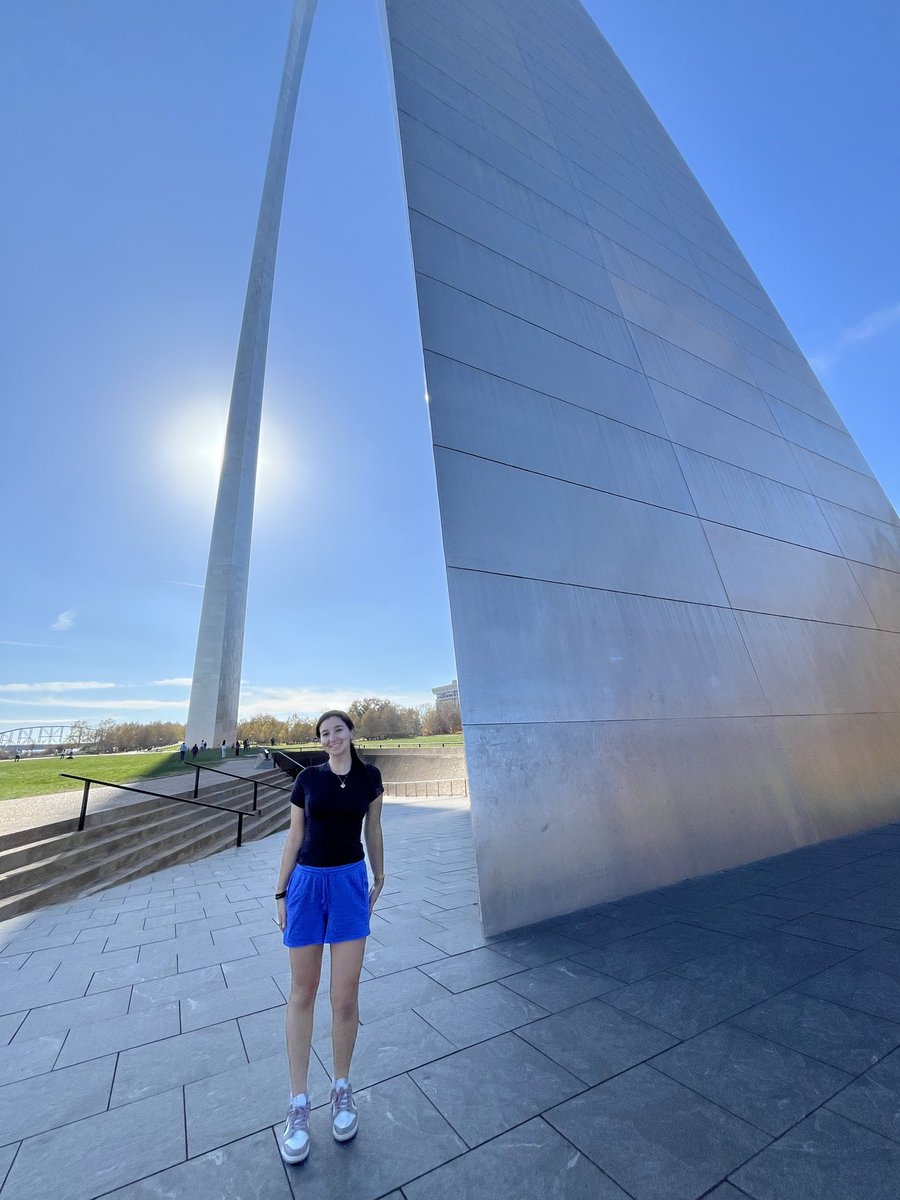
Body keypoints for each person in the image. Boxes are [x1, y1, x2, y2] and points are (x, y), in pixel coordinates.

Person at [274, 709, 384, 1165]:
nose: (331, 738)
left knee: (345, 996)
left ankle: (341, 1089)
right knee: (303, 991)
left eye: (338, 730)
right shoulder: (308, 780)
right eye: (324, 733)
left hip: (349, 884)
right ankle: (299, 1103)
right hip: (307, 885)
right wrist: (280, 891)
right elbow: (294, 836)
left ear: (352, 733)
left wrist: (381, 874)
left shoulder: (370, 778)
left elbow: (372, 828)